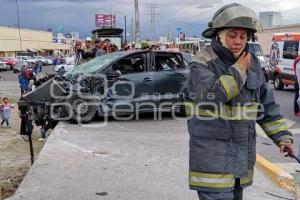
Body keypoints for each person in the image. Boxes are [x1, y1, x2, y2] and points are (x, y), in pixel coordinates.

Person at [184, 3, 295, 200]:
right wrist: (239, 69)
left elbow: (266, 107)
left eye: (243, 36)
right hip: (212, 160)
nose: (238, 41)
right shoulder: (201, 63)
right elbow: (214, 94)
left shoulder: (250, 63)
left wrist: (282, 137)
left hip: (240, 160)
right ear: (219, 35)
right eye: (232, 35)